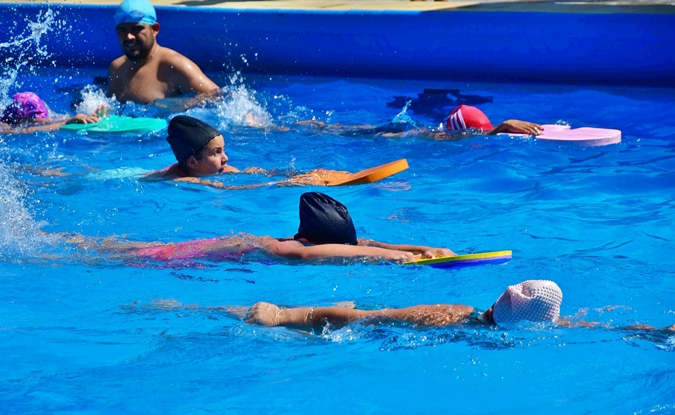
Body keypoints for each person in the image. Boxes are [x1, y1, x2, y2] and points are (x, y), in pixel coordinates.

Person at [69, 192, 454, 264]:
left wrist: (422, 249)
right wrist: (393, 259)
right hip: (180, 260)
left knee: (122, 247)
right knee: (123, 255)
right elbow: (307, 253)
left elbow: (359, 243)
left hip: (207, 249)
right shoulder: (283, 249)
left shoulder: (308, 238)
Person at [241, 279, 675, 335]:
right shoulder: (549, 329)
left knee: (367, 316)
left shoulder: (449, 313)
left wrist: (281, 316)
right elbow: (602, 328)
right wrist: (657, 332)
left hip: (393, 334)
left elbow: (361, 318)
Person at [142, 115, 375, 189]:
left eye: (224, 150)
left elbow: (251, 173)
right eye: (217, 152)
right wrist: (286, 184)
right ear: (193, 162)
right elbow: (237, 188)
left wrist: (293, 174)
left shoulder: (218, 169)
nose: (226, 158)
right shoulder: (188, 180)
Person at [108, 0, 220, 105]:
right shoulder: (116, 68)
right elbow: (110, 110)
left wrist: (177, 106)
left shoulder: (175, 64)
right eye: (122, 30)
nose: (129, 36)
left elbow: (219, 96)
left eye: (137, 29)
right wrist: (94, 116)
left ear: (155, 29)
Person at [297, 104, 543, 140]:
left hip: (401, 132)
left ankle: (313, 125)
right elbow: (463, 136)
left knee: (349, 130)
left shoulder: (441, 133)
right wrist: (501, 127)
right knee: (347, 133)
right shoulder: (440, 138)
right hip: (396, 137)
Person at [0, 92, 99, 134]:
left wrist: (88, 117)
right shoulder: (4, 126)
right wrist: (65, 123)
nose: (43, 120)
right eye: (35, 119)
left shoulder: (18, 117)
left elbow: (48, 120)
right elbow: (25, 130)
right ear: (19, 119)